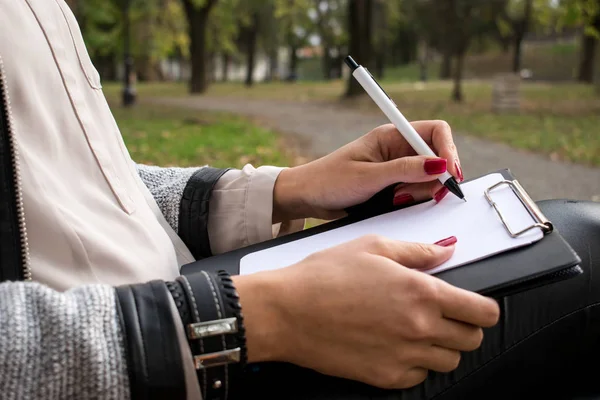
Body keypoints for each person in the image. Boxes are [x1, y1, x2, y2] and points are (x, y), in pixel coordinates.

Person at [1, 1, 599, 400]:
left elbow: (80, 181)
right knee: (588, 250)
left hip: (203, 297)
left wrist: (285, 188)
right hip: (168, 360)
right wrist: (257, 318)